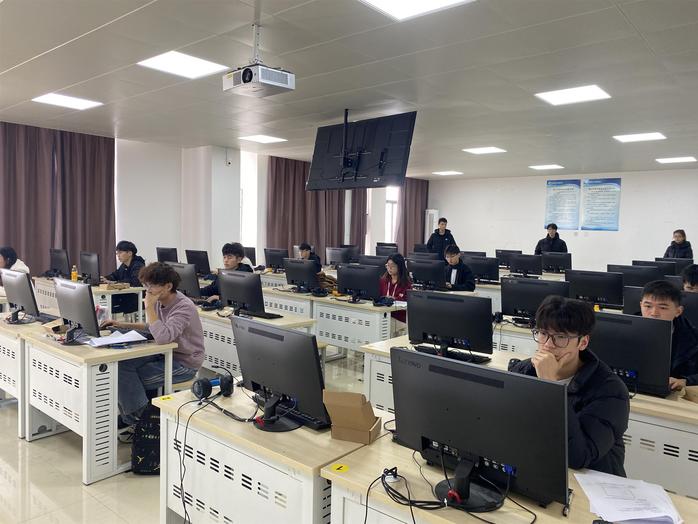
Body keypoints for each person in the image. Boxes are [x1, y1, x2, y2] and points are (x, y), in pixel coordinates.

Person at [509, 296, 629, 476]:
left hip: (590, 481)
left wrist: (550, 386)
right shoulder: (524, 370)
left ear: (583, 342)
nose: (548, 345)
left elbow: (578, 457)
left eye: (560, 337)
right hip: (541, 468)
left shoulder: (610, 391)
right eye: (543, 333)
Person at [102, 262, 205, 430]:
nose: (148, 290)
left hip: (184, 363)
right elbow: (153, 327)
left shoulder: (183, 307)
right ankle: (136, 416)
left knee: (126, 380)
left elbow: (163, 337)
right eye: (146, 285)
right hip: (163, 354)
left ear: (168, 286)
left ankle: (143, 422)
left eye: (152, 286)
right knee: (120, 366)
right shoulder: (159, 299)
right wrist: (122, 324)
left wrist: (149, 306)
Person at [640, 280, 698, 390]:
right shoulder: (626, 330)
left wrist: (686, 381)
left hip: (675, 393)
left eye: (663, 308)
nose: (654, 313)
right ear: (641, 305)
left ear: (678, 311)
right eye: (648, 306)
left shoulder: (693, 338)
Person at [380, 253, 412, 326]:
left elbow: (406, 302)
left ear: (399, 266)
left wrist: (394, 299)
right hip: (384, 315)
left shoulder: (407, 284)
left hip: (399, 319)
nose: (389, 268)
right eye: (388, 265)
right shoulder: (383, 281)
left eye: (392, 266)